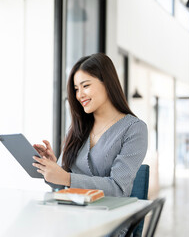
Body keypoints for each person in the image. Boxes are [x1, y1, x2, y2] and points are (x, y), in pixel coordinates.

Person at [32, 53, 148, 197]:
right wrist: (52, 168)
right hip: (72, 212)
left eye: (85, 86)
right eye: (76, 89)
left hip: (108, 214)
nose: (79, 95)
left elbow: (117, 188)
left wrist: (66, 177)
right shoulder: (78, 127)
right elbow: (61, 184)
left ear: (107, 83)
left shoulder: (134, 129)